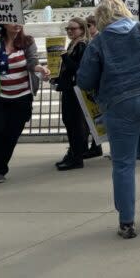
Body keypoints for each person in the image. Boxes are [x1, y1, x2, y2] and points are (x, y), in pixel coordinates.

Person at [77, 0, 140, 239]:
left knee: (123, 163)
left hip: (119, 104)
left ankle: (126, 222)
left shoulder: (99, 42)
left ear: (101, 19)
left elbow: (84, 80)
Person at [0, 23, 50, 184]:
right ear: (4, 23)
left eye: (19, 22)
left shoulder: (27, 41)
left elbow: (32, 62)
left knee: (11, 135)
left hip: (22, 97)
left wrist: (40, 68)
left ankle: (0, 170)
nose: (17, 25)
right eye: (13, 21)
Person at [51, 17, 93, 170]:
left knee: (74, 123)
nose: (69, 31)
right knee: (70, 121)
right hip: (69, 87)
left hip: (75, 89)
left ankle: (76, 157)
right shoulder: (74, 44)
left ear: (82, 29)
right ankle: (73, 154)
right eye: (67, 29)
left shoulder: (82, 45)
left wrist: (63, 56)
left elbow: (77, 68)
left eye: (73, 28)